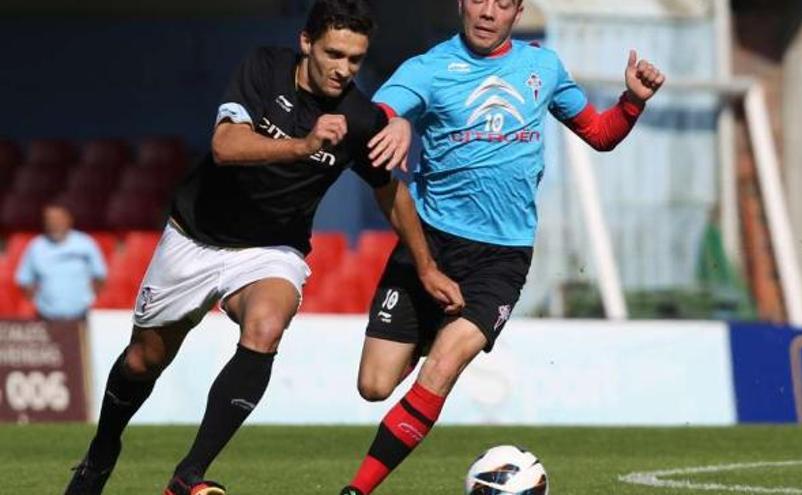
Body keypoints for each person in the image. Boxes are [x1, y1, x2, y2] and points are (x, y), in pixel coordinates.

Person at [64, 1, 463, 494]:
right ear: (306, 43)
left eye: (355, 59)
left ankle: (187, 477)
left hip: (273, 248)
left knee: (267, 326)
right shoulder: (263, 69)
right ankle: (102, 453)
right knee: (144, 360)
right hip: (195, 236)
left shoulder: (359, 118)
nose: (343, 68)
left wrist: (425, 267)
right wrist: (303, 145)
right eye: (334, 53)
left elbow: (393, 195)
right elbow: (225, 146)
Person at [339, 0, 666, 494]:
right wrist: (398, 122)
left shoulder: (543, 67)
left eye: (502, 2)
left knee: (442, 368)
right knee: (375, 386)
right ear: (460, 4)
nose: (488, 11)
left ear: (517, 11)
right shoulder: (427, 68)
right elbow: (374, 116)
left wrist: (632, 102)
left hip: (501, 257)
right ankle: (425, 335)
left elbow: (599, 135)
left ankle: (356, 490)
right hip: (428, 246)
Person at [15, 201, 106, 322]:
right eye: (49, 220)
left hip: (81, 317)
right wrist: (37, 302)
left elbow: (99, 275)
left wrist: (90, 299)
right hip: (46, 317)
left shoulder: (85, 243)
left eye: (58, 219)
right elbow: (25, 280)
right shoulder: (36, 246)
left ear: (69, 220)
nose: (54, 223)